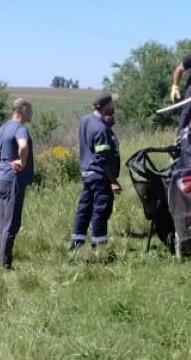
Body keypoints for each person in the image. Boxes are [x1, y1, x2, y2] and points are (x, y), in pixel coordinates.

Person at [0, 98, 34, 269]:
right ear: (23, 109)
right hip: (13, 180)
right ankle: (5, 265)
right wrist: (22, 161)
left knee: (1, 222)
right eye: (31, 109)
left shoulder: (4, 127)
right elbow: (23, 146)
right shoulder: (20, 129)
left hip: (0, 178)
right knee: (11, 224)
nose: (32, 113)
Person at [69, 94, 121, 251]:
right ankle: (99, 247)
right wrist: (113, 180)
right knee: (101, 210)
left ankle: (76, 243)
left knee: (84, 209)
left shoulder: (86, 120)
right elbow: (102, 158)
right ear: (105, 106)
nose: (114, 107)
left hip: (87, 173)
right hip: (100, 175)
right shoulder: (100, 129)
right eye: (112, 104)